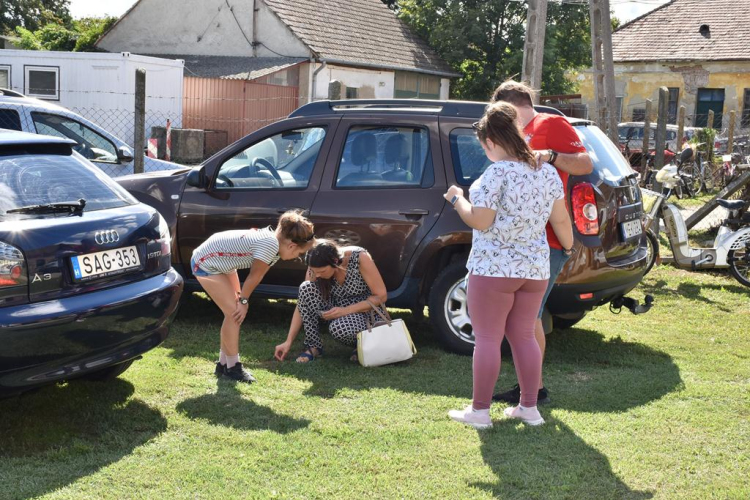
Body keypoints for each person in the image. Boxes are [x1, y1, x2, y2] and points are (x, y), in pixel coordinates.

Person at [446, 101, 574, 429]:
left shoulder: (495, 174)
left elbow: (481, 220)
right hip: (534, 269)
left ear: (490, 141)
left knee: (488, 338)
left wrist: (457, 199)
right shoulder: (546, 172)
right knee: (525, 336)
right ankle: (529, 408)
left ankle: (479, 412)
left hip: (493, 269)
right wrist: (570, 247)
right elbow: (560, 220)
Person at [490, 80, 593, 406]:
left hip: (547, 239)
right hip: (523, 239)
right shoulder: (518, 133)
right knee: (523, 317)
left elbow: (586, 164)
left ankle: (533, 390)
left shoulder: (551, 123)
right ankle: (531, 388)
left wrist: (550, 155)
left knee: (525, 317)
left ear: (511, 105)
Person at [191, 211, 315, 382]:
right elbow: (254, 277)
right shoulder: (271, 245)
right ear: (292, 246)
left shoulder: (273, 241)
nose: (297, 257)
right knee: (234, 313)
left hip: (222, 263)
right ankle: (233, 368)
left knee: (233, 313)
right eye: (299, 254)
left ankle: (223, 364)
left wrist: (242, 300)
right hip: (206, 263)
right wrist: (243, 301)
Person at [273, 240, 388, 363]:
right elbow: (303, 302)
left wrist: (345, 311)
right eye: (314, 271)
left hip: (365, 312)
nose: (317, 275)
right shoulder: (315, 264)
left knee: (339, 328)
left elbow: (381, 296)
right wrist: (288, 341)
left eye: (322, 272)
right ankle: (314, 346)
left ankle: (363, 345)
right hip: (336, 309)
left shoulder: (359, 257)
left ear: (335, 262)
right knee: (305, 287)